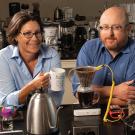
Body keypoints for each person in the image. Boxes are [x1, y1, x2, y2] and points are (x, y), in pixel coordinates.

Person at [72, 6, 135, 106]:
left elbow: (131, 99)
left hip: (125, 117)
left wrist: (92, 98)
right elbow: (78, 91)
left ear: (128, 29)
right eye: (105, 27)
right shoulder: (89, 48)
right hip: (89, 114)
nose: (110, 33)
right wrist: (115, 91)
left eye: (116, 27)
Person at [0, 11, 63, 107]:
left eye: (38, 33)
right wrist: (32, 86)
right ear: (16, 36)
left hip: (45, 114)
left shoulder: (52, 55)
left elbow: (56, 98)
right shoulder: (3, 57)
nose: (35, 38)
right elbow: (5, 102)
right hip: (16, 118)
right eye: (27, 33)